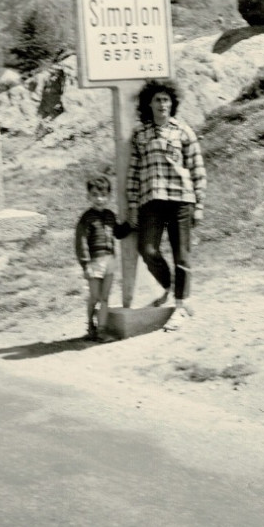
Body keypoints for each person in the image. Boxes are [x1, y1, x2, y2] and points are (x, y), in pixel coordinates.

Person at [126, 78, 207, 331]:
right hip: (151, 201)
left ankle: (180, 307)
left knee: (182, 254)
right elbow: (134, 171)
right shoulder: (140, 134)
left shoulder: (183, 131)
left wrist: (200, 204)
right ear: (148, 104)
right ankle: (171, 287)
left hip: (181, 199)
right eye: (157, 100)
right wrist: (131, 205)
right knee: (147, 249)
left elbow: (197, 168)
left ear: (172, 104)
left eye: (166, 100)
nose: (162, 104)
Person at [74, 174, 129, 341]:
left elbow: (118, 233)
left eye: (103, 195)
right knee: (95, 296)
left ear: (109, 196)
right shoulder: (86, 218)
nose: (99, 199)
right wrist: (86, 263)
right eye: (95, 195)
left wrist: (131, 224)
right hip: (94, 262)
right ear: (88, 196)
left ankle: (101, 331)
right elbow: (81, 241)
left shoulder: (110, 216)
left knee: (105, 298)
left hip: (110, 260)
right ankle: (91, 325)